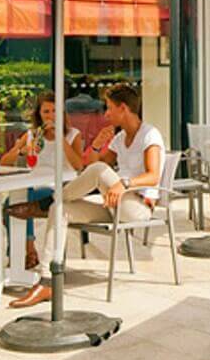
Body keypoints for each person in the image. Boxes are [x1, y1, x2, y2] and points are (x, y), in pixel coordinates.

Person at [9, 83, 165, 308]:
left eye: (109, 108)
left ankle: (45, 201)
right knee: (60, 209)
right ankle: (46, 282)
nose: (106, 114)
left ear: (123, 108)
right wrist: (96, 146)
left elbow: (153, 177)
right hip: (113, 203)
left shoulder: (149, 134)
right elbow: (91, 166)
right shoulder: (119, 138)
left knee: (99, 174)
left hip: (137, 206)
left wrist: (124, 183)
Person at [0, 90, 87, 270]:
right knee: (13, 201)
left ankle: (24, 255)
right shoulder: (33, 135)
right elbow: (3, 162)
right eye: (46, 111)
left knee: (20, 200)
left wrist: (61, 139)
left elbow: (79, 166)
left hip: (61, 188)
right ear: (39, 114)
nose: (51, 116)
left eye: (55, 111)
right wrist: (22, 151)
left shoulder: (72, 135)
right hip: (35, 186)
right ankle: (29, 251)